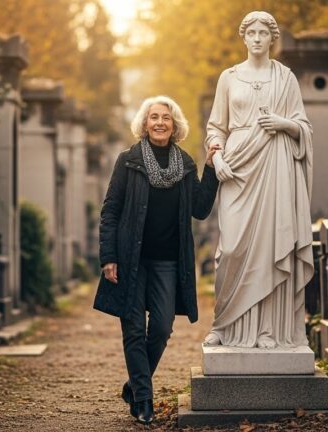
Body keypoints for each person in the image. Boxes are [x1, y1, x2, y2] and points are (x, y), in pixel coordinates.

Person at [93, 95, 220, 424]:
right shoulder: (128, 161)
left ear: (174, 125)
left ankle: (134, 385)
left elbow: (201, 209)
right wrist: (108, 257)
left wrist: (211, 167)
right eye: (154, 117)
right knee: (134, 329)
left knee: (162, 328)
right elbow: (110, 211)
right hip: (130, 259)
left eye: (166, 117)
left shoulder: (186, 163)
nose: (160, 122)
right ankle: (144, 400)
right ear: (144, 124)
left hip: (167, 261)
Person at [203, 11, 315, 349]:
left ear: (271, 38)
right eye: (250, 32)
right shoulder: (229, 77)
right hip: (236, 168)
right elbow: (215, 127)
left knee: (271, 247)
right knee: (232, 248)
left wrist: (284, 124)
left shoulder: (286, 78)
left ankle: (269, 329)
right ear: (243, 36)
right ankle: (224, 325)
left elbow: (304, 128)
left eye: (262, 32)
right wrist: (217, 158)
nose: (256, 38)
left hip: (274, 166)